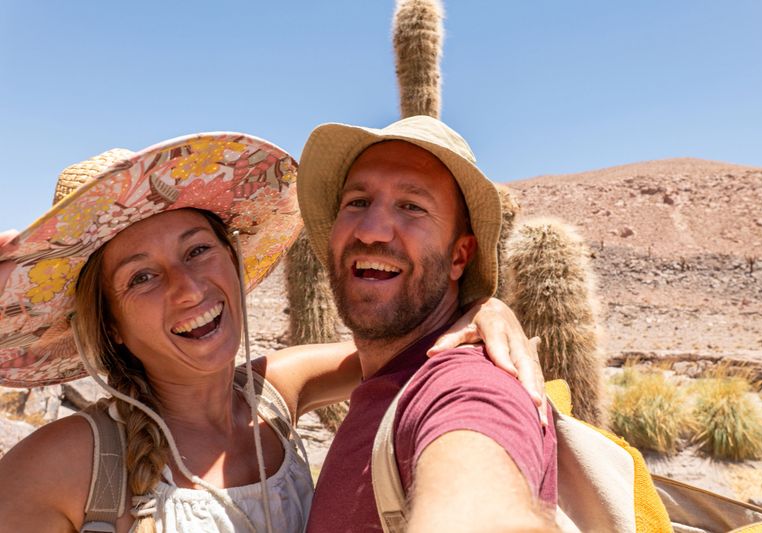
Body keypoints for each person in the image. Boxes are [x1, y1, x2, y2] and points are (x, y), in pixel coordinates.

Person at [0, 132, 543, 532]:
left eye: (198, 250)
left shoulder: (273, 395)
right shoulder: (62, 464)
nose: (188, 289)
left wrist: (480, 309)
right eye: (141, 277)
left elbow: (399, 350)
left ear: (232, 260)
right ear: (111, 324)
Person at [297, 115, 558, 531]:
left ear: (459, 257)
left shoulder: (466, 386)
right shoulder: (384, 374)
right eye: (358, 202)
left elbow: (479, 498)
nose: (371, 231)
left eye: (412, 207)